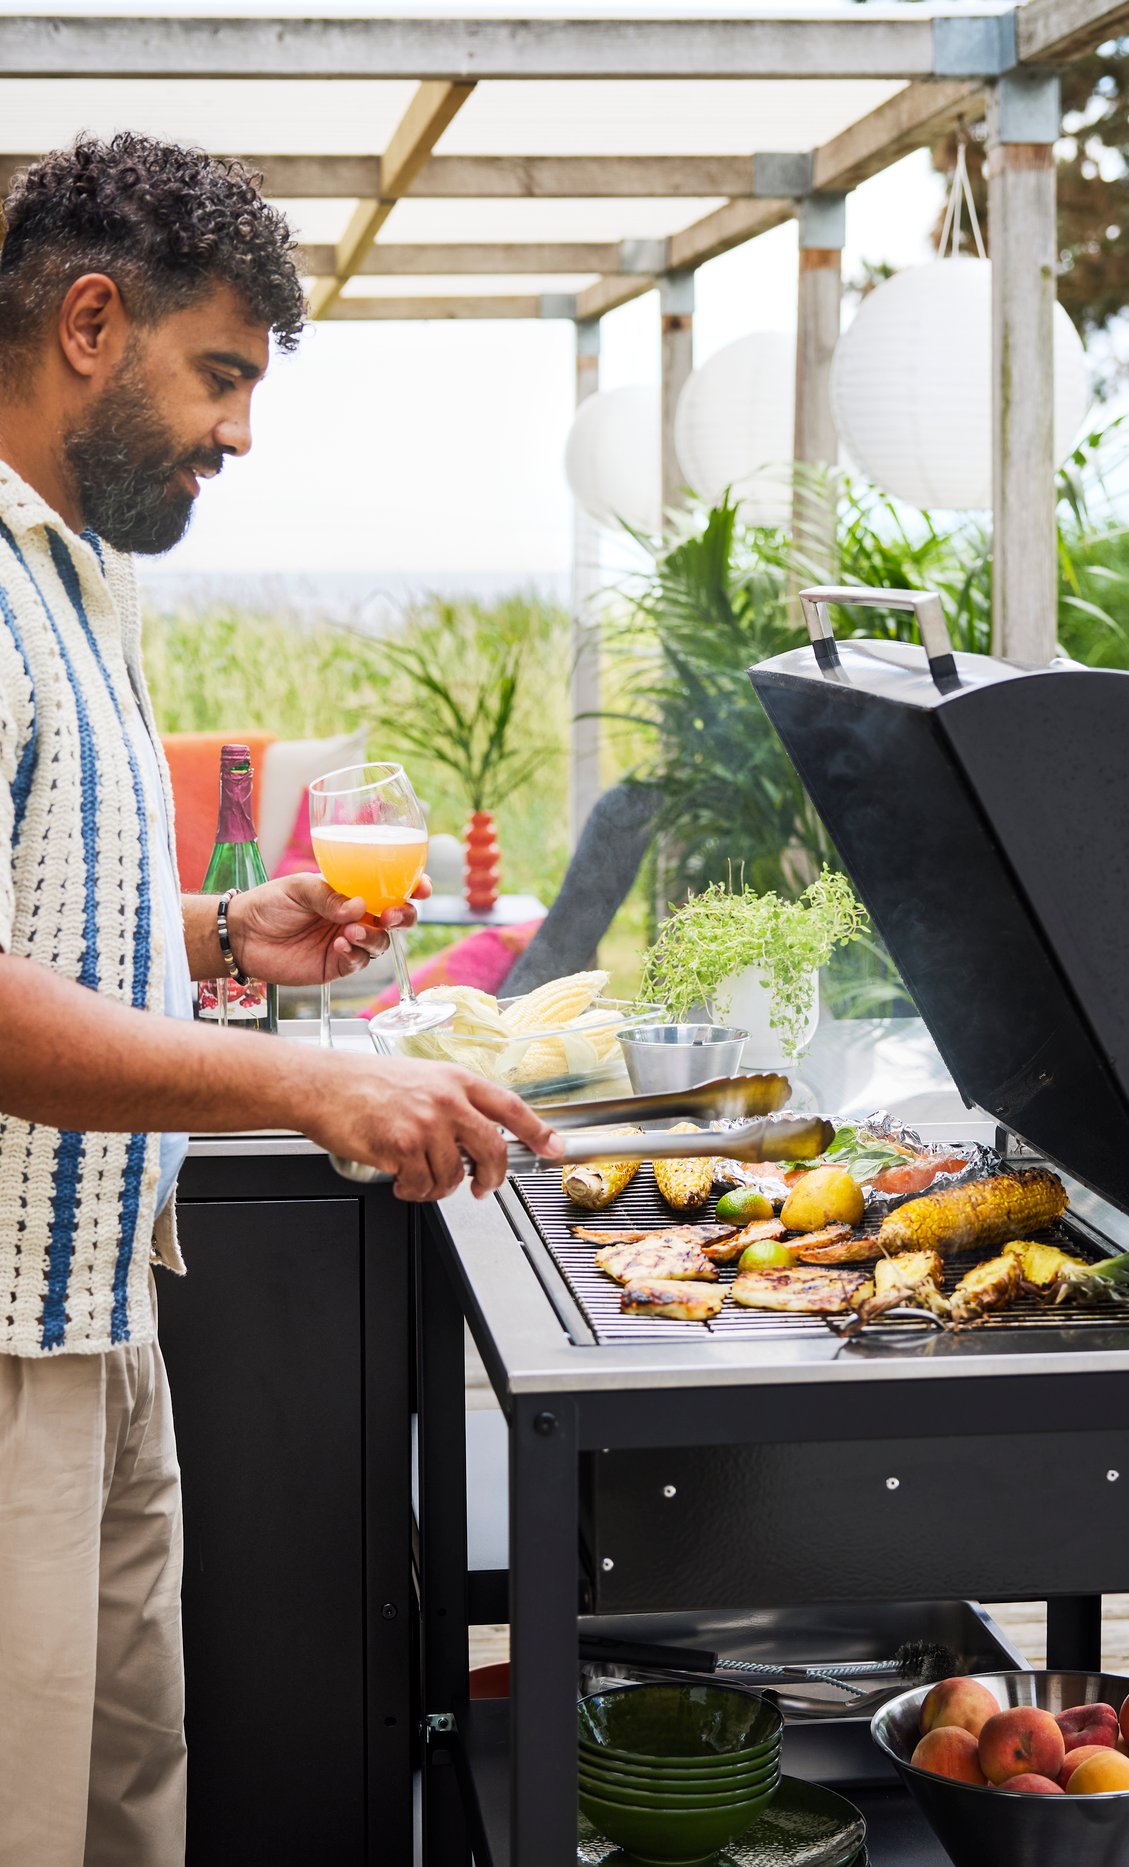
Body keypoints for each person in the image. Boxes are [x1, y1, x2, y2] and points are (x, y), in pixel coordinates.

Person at [0, 133, 560, 1867]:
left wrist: (227, 936)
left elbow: (39, 906)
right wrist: (308, 1089)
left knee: (122, 1811)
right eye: (220, 374)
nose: (240, 432)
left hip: (97, 1307)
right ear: (92, 321)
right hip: (4, 1350)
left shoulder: (72, 580)